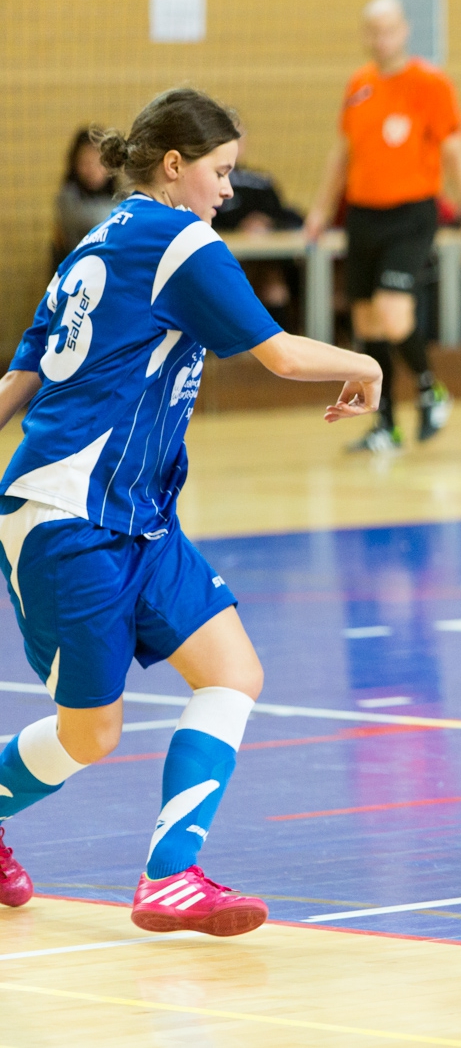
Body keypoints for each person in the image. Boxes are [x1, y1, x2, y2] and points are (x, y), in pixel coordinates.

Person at [0, 88, 382, 933]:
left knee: (233, 671)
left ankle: (171, 875)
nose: (230, 190)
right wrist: (366, 363)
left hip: (136, 516)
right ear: (175, 166)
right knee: (90, 734)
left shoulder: (99, 241)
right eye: (221, 170)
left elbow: (21, 377)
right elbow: (281, 355)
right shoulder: (182, 241)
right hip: (70, 516)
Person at [305, 0, 461, 452]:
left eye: (389, 29)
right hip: (363, 215)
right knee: (367, 322)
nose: (381, 39)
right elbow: (343, 153)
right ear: (365, 36)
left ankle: (431, 390)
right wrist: (320, 211)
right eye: (373, 31)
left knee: (393, 314)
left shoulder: (430, 84)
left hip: (411, 214)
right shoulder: (359, 84)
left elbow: (456, 152)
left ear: (404, 31)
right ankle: (384, 425)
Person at [212, 135, 304, 330]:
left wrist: (269, 223)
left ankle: (279, 339)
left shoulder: (261, 182)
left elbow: (288, 217)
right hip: (223, 264)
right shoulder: (208, 183)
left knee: (273, 286)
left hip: (265, 263)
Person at [51, 128, 118, 268]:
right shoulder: (68, 197)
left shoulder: (119, 194)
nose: (92, 170)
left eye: (99, 162)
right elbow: (92, 220)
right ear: (75, 164)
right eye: (86, 162)